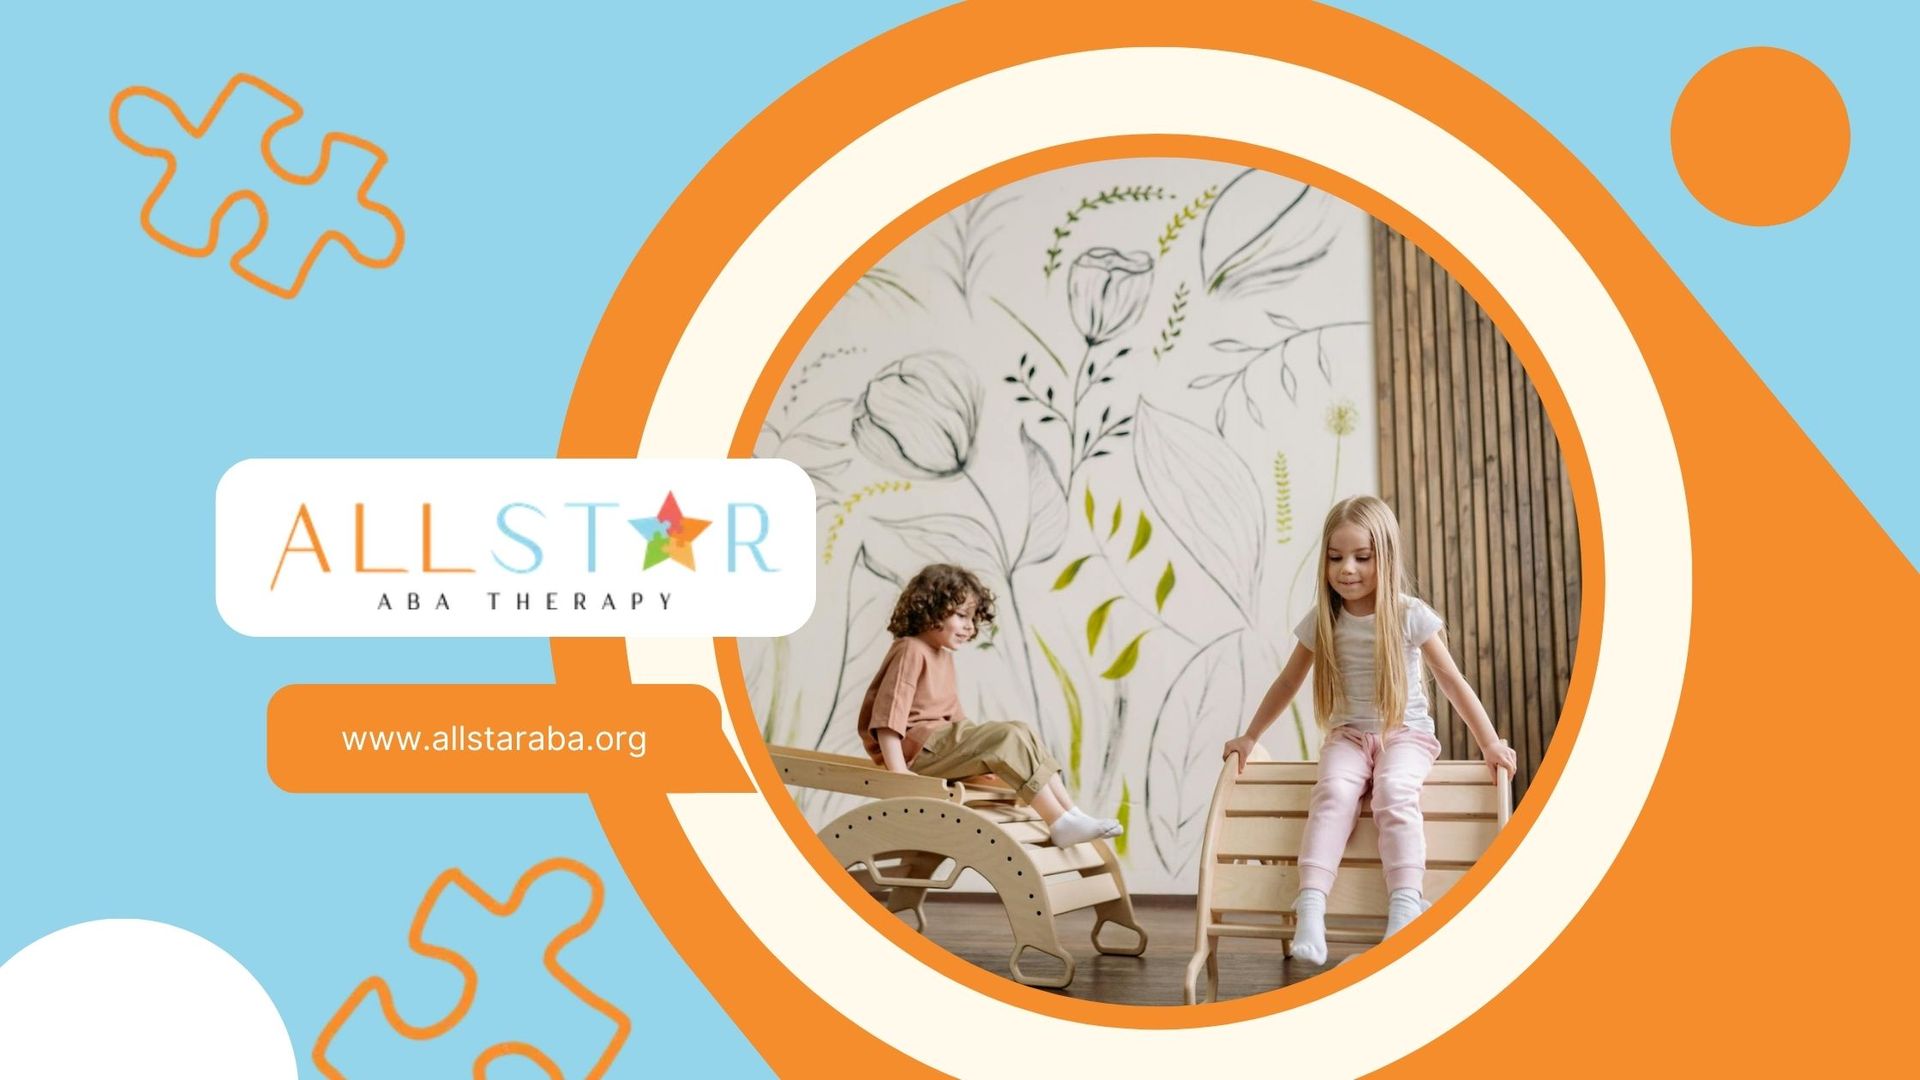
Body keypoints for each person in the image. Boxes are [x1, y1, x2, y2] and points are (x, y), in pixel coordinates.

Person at [1222, 495, 1516, 964]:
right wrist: (1250, 737)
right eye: (1336, 558)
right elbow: (1287, 681)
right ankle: (1312, 904)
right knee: (1334, 792)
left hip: (1406, 734)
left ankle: (1405, 903)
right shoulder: (1324, 620)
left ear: (1386, 556)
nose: (1348, 569)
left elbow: (1452, 681)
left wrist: (1490, 742)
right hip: (1349, 736)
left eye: (1362, 557)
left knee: (1395, 789)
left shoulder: (1408, 614)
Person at [858, 563, 1122, 847]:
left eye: (972, 619)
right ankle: (1059, 820)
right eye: (961, 616)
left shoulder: (942, 656)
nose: (969, 627)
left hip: (939, 747)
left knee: (1020, 730)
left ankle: (1071, 813)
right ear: (930, 609)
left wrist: (982, 756)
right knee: (1007, 736)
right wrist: (899, 772)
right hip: (918, 755)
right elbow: (889, 714)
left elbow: (955, 722)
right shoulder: (910, 649)